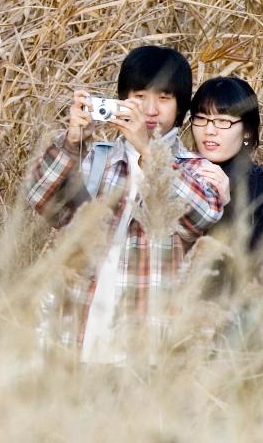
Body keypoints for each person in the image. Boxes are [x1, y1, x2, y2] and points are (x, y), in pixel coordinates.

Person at [25, 45, 227, 363]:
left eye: (163, 99)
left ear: (180, 108)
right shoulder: (96, 158)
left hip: (146, 347)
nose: (150, 110)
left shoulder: (195, 168)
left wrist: (149, 152)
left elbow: (202, 215)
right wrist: (73, 140)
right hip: (75, 335)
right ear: (121, 99)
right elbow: (40, 197)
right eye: (140, 96)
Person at [187, 76, 263, 280]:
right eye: (201, 119)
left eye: (223, 122)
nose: (209, 131)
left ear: (246, 130)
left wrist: (228, 208)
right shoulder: (181, 176)